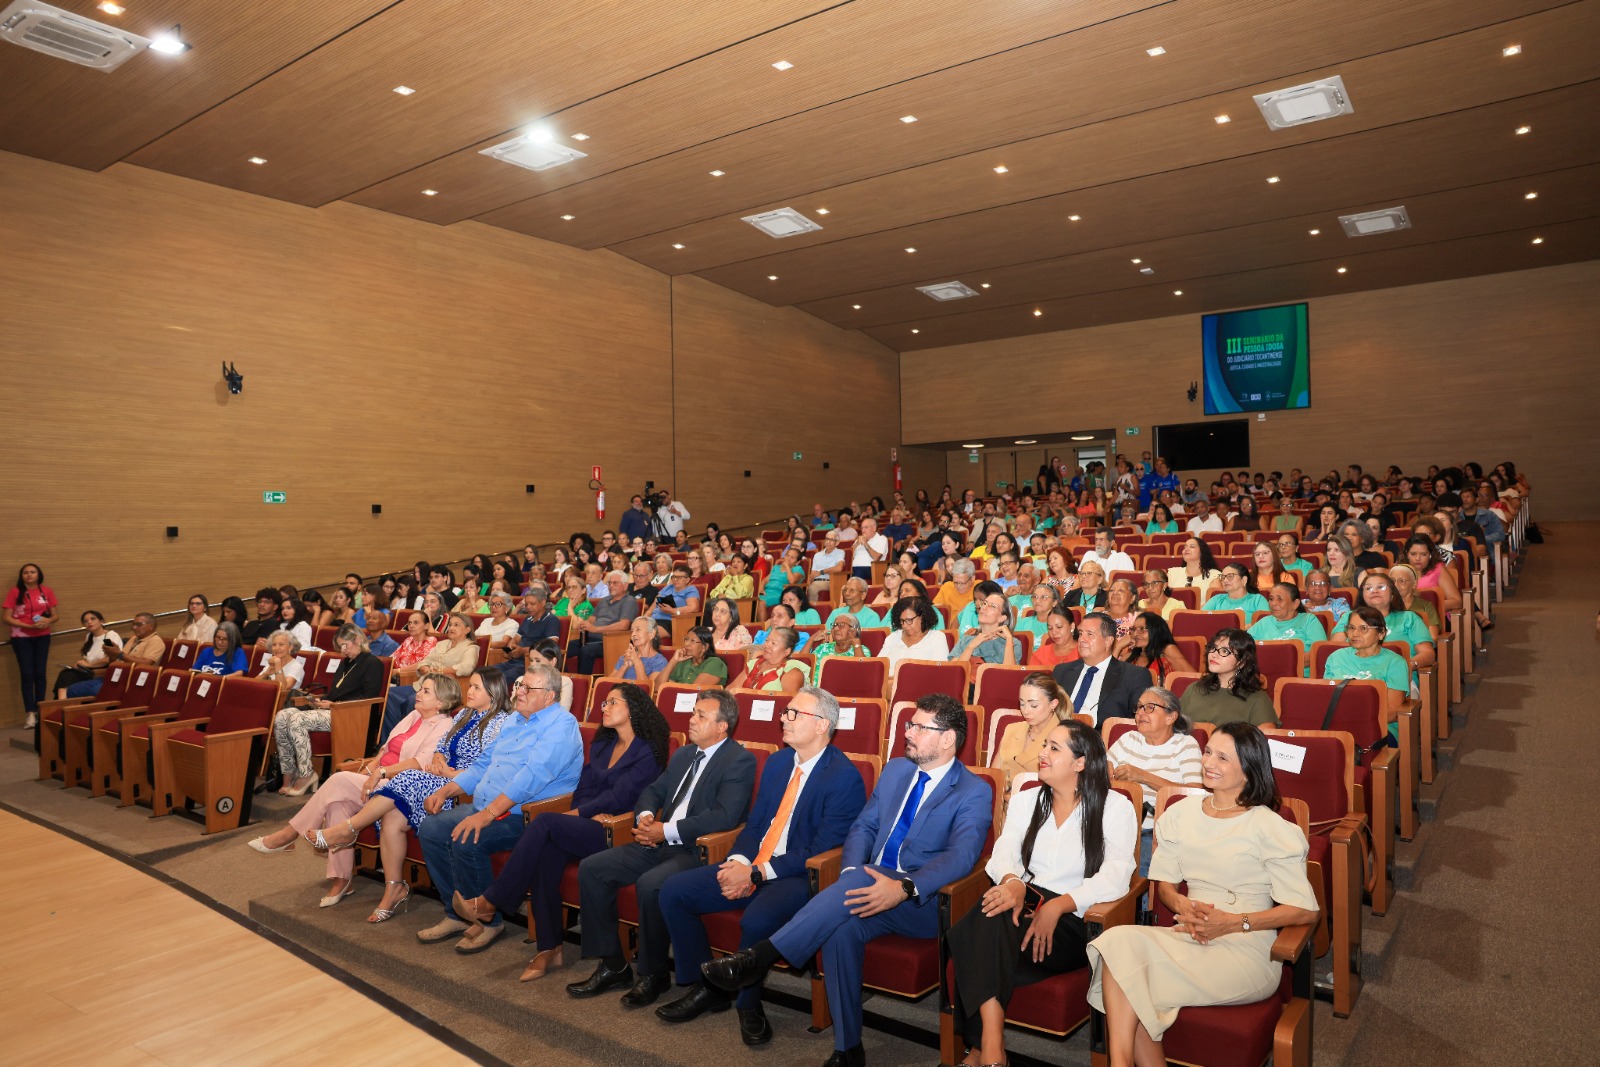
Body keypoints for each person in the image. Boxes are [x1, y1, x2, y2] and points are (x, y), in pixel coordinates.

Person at [701, 694, 993, 1067]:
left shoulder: (973, 789)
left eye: (920, 727)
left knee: (845, 901)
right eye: (909, 724)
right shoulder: (896, 771)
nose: (909, 733)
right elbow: (864, 826)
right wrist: (852, 871)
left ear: (948, 738)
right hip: (867, 882)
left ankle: (760, 957)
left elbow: (962, 857)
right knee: (841, 932)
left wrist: (904, 887)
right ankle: (848, 1048)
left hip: (923, 901)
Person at [1088, 723, 1320, 1066]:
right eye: (1208, 751)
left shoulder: (1271, 827)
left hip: (1247, 948)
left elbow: (1306, 911)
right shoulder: (1180, 814)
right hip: (1190, 933)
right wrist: (1180, 903)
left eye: (1223, 757)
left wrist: (1233, 922)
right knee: (1118, 943)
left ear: (1249, 770)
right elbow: (1165, 886)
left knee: (1128, 973)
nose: (1209, 761)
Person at [655, 687, 868, 1041]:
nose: (784, 718)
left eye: (794, 713)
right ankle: (708, 987)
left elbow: (822, 850)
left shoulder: (843, 777)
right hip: (755, 861)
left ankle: (747, 1003)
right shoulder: (779, 761)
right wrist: (737, 861)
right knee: (674, 890)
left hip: (797, 876)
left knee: (756, 919)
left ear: (821, 725)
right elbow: (756, 824)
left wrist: (756, 873)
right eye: (786, 711)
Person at [949, 721, 1138, 1067]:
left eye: (1054, 748)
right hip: (1027, 902)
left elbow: (1117, 876)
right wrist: (1013, 882)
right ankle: (992, 1048)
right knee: (994, 910)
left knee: (975, 933)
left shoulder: (1114, 807)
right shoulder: (1027, 800)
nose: (1042, 754)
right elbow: (1004, 853)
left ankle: (979, 1051)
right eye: (1044, 745)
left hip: (1076, 919)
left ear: (1080, 763)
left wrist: (1060, 906)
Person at [454, 684, 669, 980]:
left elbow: (622, 796)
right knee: (546, 852)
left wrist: (579, 814)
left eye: (612, 702)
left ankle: (493, 900)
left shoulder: (647, 751)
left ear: (633, 709)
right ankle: (549, 947)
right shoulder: (604, 744)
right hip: (590, 824)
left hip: (618, 830)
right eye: (603, 701)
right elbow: (585, 787)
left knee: (544, 824)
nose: (603, 707)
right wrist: (583, 811)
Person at [567, 689, 756, 1006]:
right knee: (593, 869)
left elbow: (724, 816)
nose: (691, 720)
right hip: (656, 840)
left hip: (697, 849)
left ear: (723, 726)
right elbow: (653, 791)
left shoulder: (739, 760)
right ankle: (613, 965)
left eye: (700, 716)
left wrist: (664, 830)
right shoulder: (684, 754)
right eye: (693, 712)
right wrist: (643, 817)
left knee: (652, 884)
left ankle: (653, 973)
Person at [246, 673, 460, 909]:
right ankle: (342, 880)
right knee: (339, 804)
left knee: (338, 780)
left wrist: (380, 774)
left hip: (400, 786)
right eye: (421, 690)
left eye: (426, 691)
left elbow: (418, 763)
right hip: (377, 777)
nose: (418, 694)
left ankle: (289, 835)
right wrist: (367, 773)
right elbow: (385, 750)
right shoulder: (413, 715)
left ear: (441, 702)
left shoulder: (444, 725)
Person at [413, 662, 585, 950]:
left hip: (528, 816)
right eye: (520, 685)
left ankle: (488, 921)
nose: (520, 692)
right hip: (486, 805)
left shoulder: (562, 726)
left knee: (467, 837)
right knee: (431, 828)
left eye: (530, 688)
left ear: (550, 696)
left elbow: (530, 779)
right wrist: (447, 790)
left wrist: (487, 814)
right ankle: (456, 912)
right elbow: (482, 765)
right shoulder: (514, 720)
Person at [1107, 686, 1203, 875]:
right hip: (1115, 824)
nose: (1141, 713)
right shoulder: (1128, 739)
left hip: (1153, 831)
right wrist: (1105, 771)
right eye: (1139, 707)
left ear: (1171, 716)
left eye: (1149, 708)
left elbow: (1195, 793)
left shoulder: (1184, 745)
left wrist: (1142, 776)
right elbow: (1102, 770)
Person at [381, 613, 479, 738]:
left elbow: (467, 667)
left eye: (456, 625)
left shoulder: (471, 647)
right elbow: (424, 661)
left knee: (413, 700)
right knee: (389, 694)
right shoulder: (442, 644)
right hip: (421, 685)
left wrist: (441, 671)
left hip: (442, 690)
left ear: (467, 629)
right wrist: (425, 667)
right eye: (450, 625)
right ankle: (391, 737)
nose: (451, 628)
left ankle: (409, 738)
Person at [1052, 612, 1152, 726]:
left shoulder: (1134, 676)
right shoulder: (1061, 672)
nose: (1082, 639)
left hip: (1103, 740)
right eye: (1080, 633)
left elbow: (1140, 721)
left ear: (1108, 641)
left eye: (1089, 634)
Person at [1324, 605, 1411, 729]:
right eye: (1351, 628)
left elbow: (1392, 712)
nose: (1355, 634)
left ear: (1381, 633)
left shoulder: (1395, 663)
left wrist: (1354, 721)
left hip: (1379, 726)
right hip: (1337, 723)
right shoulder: (1336, 657)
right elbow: (1326, 699)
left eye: (1363, 628)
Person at [989, 672, 1069, 794]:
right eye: (1022, 703)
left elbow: (1060, 786)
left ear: (1053, 704)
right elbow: (994, 776)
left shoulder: (1065, 737)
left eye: (1034, 705)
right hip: (1002, 803)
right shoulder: (1011, 729)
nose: (1025, 711)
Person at [1179, 629, 1276, 727]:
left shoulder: (1258, 699)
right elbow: (1173, 728)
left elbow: (1264, 740)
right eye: (1213, 648)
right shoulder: (1194, 688)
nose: (1214, 654)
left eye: (1224, 651)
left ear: (1241, 662)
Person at [63, 612, 164, 699]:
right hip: (116, 675)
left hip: (133, 680)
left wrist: (119, 654)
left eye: (138, 625)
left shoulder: (155, 641)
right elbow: (117, 662)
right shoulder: (133, 639)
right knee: (72, 690)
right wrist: (112, 655)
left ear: (151, 626)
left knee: (95, 691)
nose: (134, 627)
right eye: (133, 624)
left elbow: (146, 664)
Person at [6, 563, 58, 727]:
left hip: (42, 636)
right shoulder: (15, 592)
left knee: (40, 674)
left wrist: (47, 620)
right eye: (25, 573)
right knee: (27, 674)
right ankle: (30, 713)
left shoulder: (46, 591)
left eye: (32, 572)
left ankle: (41, 710)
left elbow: (55, 616)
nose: (29, 575)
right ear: (22, 576)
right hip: (21, 637)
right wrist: (29, 626)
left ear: (38, 574)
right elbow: (6, 617)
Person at [571, 570, 641, 673]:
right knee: (562, 648)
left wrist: (596, 629)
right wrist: (584, 623)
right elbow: (592, 619)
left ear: (625, 586)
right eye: (609, 583)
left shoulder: (629, 601)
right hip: (589, 637)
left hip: (609, 641)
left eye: (615, 583)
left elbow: (624, 625)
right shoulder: (604, 600)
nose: (611, 586)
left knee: (586, 651)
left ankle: (584, 682)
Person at [1247, 583, 1327, 671]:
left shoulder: (1309, 620)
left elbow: (1319, 652)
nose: (1273, 603)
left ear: (1295, 604)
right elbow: (1244, 649)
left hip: (1299, 678)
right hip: (1264, 677)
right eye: (1271, 599)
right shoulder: (1264, 622)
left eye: (1280, 599)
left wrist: (1276, 663)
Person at [51, 610, 123, 699]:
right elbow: (87, 657)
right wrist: (80, 664)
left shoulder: (107, 637)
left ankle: (62, 703)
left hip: (101, 670)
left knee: (66, 676)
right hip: (88, 669)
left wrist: (89, 665)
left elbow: (110, 658)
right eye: (86, 621)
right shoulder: (89, 636)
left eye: (93, 619)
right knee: (65, 673)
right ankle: (61, 702)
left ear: (101, 621)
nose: (89, 622)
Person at [1117, 612, 1193, 685]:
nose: (1136, 633)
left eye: (1142, 629)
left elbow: (1193, 679)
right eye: (1134, 629)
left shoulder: (1167, 650)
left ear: (1155, 630)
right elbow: (1108, 679)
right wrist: (1118, 646)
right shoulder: (1129, 657)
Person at [953, 589, 1022, 666]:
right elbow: (955, 672)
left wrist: (1009, 640)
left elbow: (1010, 674)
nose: (984, 608)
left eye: (992, 606)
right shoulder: (965, 640)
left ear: (1002, 618)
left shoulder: (1012, 643)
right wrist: (971, 647)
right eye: (984, 603)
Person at [880, 596, 949, 672]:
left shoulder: (937, 638)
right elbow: (879, 667)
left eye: (909, 620)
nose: (905, 625)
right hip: (887, 682)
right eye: (902, 620)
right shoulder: (893, 637)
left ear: (922, 617)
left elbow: (938, 671)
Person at [730, 627, 808, 694]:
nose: (767, 645)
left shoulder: (792, 672)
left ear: (786, 651)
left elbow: (788, 703)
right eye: (767, 640)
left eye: (773, 643)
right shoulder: (754, 664)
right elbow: (731, 690)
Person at [655, 625, 730, 687]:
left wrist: (672, 685)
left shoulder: (715, 663)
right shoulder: (682, 663)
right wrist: (673, 661)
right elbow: (657, 687)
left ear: (705, 647)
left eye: (692, 641)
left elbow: (694, 690)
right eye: (686, 639)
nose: (687, 644)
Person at [608, 615, 669, 681]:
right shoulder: (625, 657)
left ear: (652, 634)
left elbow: (648, 689)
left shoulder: (659, 662)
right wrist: (624, 666)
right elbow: (608, 685)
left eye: (638, 630)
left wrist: (637, 661)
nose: (633, 634)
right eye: (632, 631)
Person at [651, 563, 703, 637]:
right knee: (637, 627)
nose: (675, 579)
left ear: (687, 579)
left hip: (671, 621)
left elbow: (694, 608)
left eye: (679, 577)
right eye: (674, 577)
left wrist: (672, 611)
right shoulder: (668, 588)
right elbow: (654, 604)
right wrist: (646, 616)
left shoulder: (690, 590)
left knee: (647, 633)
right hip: (654, 619)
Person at [1202, 563, 1270, 617]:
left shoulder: (1257, 600)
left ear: (1244, 580)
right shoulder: (1216, 599)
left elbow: (1266, 623)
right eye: (1223, 577)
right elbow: (1201, 619)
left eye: (1230, 576)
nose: (1225, 580)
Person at [1166, 537, 1222, 602]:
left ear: (1202, 552)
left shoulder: (1213, 575)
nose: (1186, 549)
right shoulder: (1173, 573)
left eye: (1192, 547)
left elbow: (1215, 603)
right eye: (1185, 547)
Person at [256, 630, 305, 696]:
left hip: (284, 703)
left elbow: (283, 689)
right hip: (266, 697)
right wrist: (266, 674)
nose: (276, 648)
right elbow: (253, 684)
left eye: (281, 644)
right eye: (274, 645)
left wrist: (278, 665)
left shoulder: (296, 666)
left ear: (290, 647)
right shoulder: (272, 662)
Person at [849, 516, 889, 580]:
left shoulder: (881, 539)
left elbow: (876, 558)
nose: (863, 531)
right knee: (840, 573)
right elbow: (849, 557)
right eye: (862, 528)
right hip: (853, 569)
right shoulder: (858, 540)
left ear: (874, 528)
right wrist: (857, 544)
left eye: (866, 527)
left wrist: (865, 544)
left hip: (871, 569)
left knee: (858, 571)